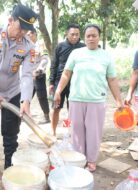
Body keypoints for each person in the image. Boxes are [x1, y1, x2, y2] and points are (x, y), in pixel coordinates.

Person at [0, 4, 38, 177]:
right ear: (10, 21)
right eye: (21, 28)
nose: (23, 34)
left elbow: (26, 75)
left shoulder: (29, 47)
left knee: (11, 134)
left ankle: (9, 167)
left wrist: (26, 101)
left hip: (12, 92)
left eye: (27, 30)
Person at [54, 24, 123, 172]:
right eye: (88, 36)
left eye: (94, 35)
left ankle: (91, 160)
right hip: (76, 99)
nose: (91, 38)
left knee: (93, 132)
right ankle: (79, 159)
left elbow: (112, 79)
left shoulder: (106, 56)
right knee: (76, 131)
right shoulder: (76, 54)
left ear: (99, 37)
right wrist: (58, 91)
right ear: (84, 38)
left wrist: (119, 100)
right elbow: (66, 74)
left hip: (96, 101)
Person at [49, 24, 85, 135]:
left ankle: (68, 130)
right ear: (67, 34)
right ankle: (53, 132)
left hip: (76, 84)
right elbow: (54, 64)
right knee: (56, 108)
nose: (75, 37)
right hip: (59, 82)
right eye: (72, 34)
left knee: (72, 109)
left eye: (77, 35)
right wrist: (51, 82)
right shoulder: (60, 46)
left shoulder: (83, 47)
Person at [27, 30, 50, 124]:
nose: (27, 36)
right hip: (28, 75)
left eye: (29, 34)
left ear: (34, 34)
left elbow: (45, 59)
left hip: (38, 75)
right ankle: (23, 115)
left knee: (41, 96)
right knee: (26, 95)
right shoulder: (26, 45)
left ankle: (46, 117)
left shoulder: (40, 44)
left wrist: (39, 69)